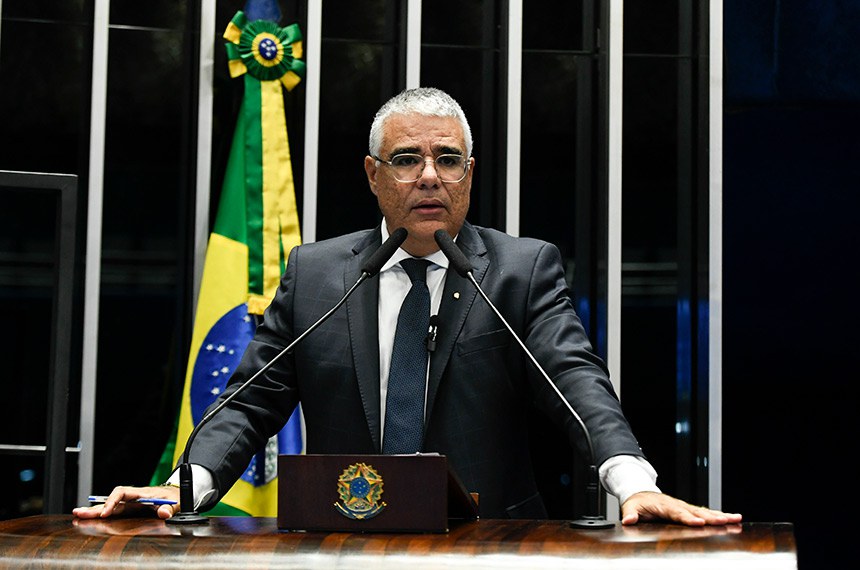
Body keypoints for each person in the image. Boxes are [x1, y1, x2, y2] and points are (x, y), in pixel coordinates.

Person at [74, 87, 741, 526]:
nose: (429, 175)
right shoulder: (317, 275)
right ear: (372, 174)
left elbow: (576, 383)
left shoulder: (518, 271)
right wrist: (183, 487)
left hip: (489, 549)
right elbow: (248, 403)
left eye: (448, 159)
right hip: (340, 548)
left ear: (470, 174)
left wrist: (633, 483)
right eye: (406, 159)